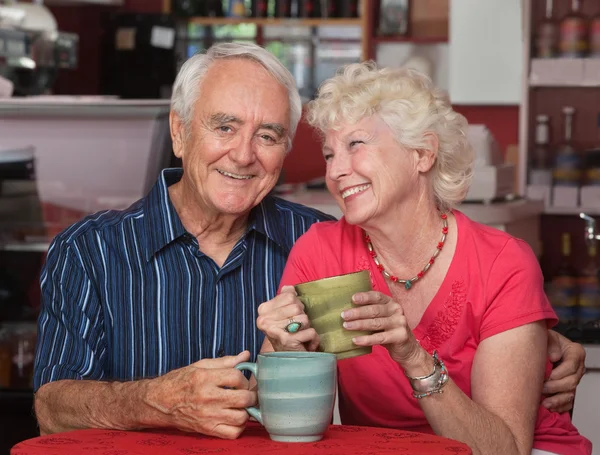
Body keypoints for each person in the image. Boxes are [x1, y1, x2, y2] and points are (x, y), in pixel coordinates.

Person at [33, 43, 583, 440]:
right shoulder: (90, 251)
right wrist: (155, 401)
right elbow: (51, 410)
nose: (245, 154)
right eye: (223, 127)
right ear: (179, 132)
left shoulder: (314, 238)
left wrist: (534, 343)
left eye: (268, 136)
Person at [256, 61, 592, 454]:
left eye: (356, 145)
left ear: (422, 153)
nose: (336, 171)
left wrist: (413, 357)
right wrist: (290, 352)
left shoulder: (503, 263)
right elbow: (283, 425)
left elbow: (504, 449)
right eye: (330, 154)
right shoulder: (320, 250)